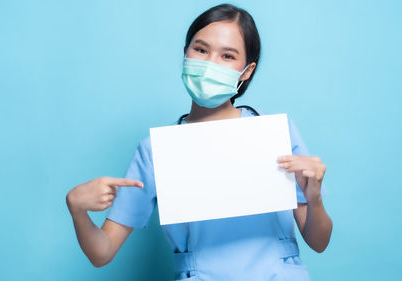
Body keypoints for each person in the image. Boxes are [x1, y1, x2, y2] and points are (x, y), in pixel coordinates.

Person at [66, 3, 332, 280]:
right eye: (201, 50)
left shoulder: (275, 133)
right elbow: (102, 252)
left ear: (247, 70)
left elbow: (319, 242)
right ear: (185, 54)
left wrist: (314, 199)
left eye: (228, 56)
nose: (209, 64)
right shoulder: (156, 151)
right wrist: (77, 210)